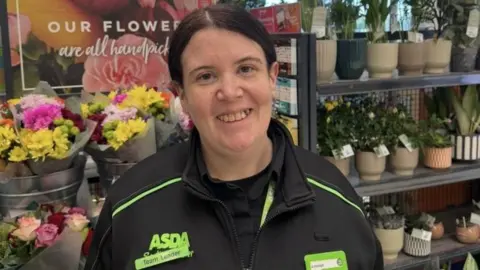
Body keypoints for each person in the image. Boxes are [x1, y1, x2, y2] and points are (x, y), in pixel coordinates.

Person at [85, 4, 384, 270]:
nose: (229, 91)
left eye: (245, 69)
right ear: (182, 95)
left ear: (272, 77)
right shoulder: (131, 206)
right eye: (205, 76)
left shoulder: (337, 200)